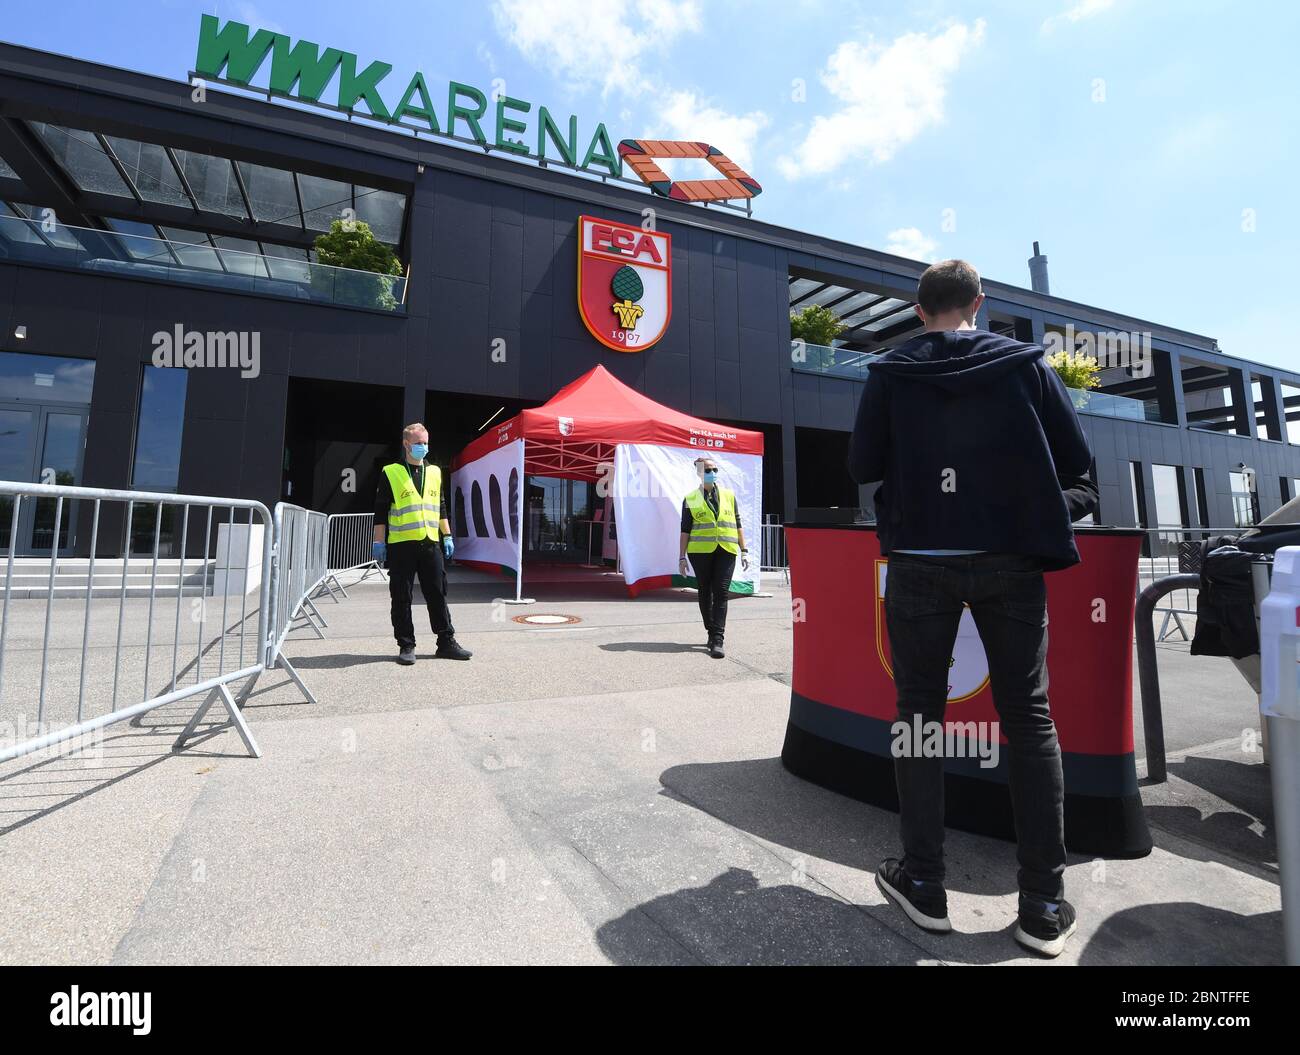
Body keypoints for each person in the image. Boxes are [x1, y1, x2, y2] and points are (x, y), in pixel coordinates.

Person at [847, 259, 1098, 957]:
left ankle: (924, 881)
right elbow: (1077, 463)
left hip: (921, 563)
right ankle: (1043, 902)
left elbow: (862, 464)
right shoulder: (1027, 367)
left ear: (919, 310)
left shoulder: (892, 373)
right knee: (1029, 716)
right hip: (1011, 561)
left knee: (920, 715)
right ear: (978, 304)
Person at [373, 423, 472, 664]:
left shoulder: (436, 472)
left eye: (426, 443)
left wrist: (447, 536)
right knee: (401, 596)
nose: (423, 447)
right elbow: (380, 511)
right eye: (418, 443)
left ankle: (446, 642)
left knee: (437, 592)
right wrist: (378, 542)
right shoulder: (391, 472)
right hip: (401, 545)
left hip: (430, 543)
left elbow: (441, 507)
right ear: (406, 444)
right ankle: (406, 645)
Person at [679, 456, 750, 659]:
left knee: (721, 592)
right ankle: (711, 629)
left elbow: (737, 524)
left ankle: (717, 639)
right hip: (700, 552)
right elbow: (685, 530)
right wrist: (681, 557)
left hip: (726, 550)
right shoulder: (691, 498)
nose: (712, 473)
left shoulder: (729, 495)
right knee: (705, 590)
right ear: (700, 472)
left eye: (715, 469)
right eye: (708, 469)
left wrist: (744, 550)